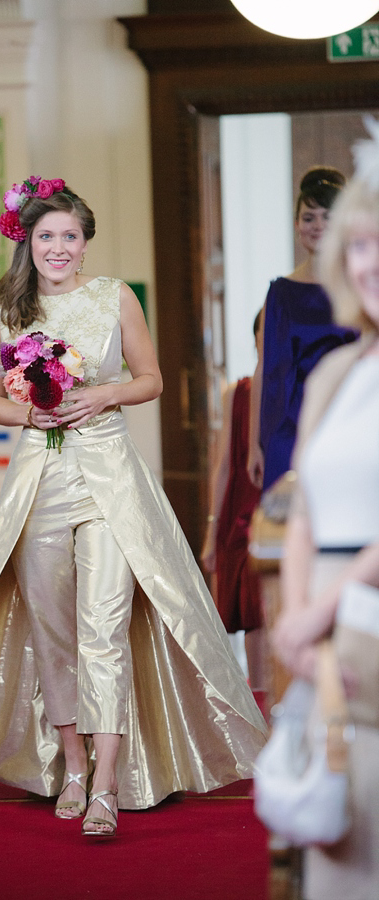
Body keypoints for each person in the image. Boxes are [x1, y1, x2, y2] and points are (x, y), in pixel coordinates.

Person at [0, 176, 267, 838]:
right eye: (46, 236)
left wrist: (104, 396)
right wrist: (33, 408)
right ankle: (73, 765)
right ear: (29, 242)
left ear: (85, 244)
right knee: (56, 632)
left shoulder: (115, 298)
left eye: (70, 237)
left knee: (105, 626)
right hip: (40, 483)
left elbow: (152, 379)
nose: (58, 248)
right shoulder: (4, 309)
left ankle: (107, 785)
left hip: (110, 477)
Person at [273, 121, 379, 899]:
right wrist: (292, 620)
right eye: (362, 244)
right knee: (336, 848)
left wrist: (323, 615)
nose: (371, 263)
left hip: (364, 613)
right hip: (324, 633)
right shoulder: (338, 371)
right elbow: (303, 508)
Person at [248, 166, 357, 493]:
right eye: (309, 218)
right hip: (289, 429)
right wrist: (256, 443)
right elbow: (264, 369)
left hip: (349, 419)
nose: (318, 226)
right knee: (287, 526)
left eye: (328, 217)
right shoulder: (280, 293)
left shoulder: (361, 286)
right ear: (297, 225)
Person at [201, 311, 265, 690]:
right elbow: (224, 464)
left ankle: (275, 705)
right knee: (249, 613)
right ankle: (258, 707)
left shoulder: (298, 387)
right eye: (263, 331)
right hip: (239, 514)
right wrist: (212, 531)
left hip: (278, 510)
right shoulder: (235, 393)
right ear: (255, 337)